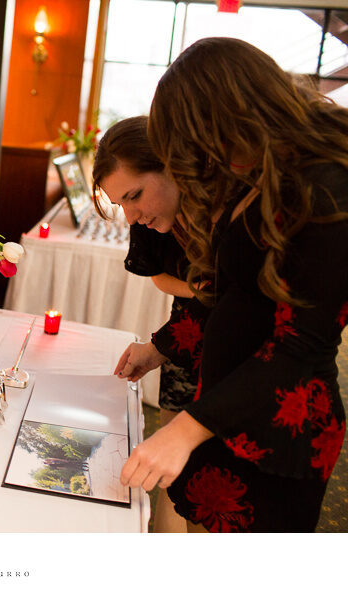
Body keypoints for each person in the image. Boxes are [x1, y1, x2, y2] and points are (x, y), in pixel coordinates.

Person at [113, 37, 348, 532]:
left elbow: (300, 343)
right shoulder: (259, 176)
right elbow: (229, 296)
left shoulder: (326, 184)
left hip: (279, 427)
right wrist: (161, 348)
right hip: (228, 406)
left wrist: (186, 427)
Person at [91, 116, 196, 532]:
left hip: (242, 362)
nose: (132, 216)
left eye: (134, 195)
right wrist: (207, 290)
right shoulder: (148, 218)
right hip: (186, 330)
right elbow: (159, 277)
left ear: (171, 165)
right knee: (175, 474)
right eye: (121, 205)